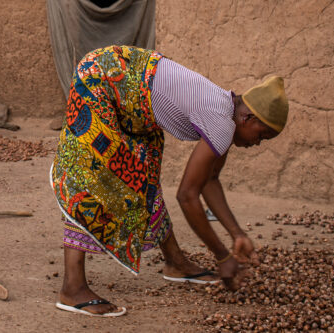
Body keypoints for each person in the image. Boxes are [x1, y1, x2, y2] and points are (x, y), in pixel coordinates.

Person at [51, 45, 287, 318]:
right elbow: (187, 196)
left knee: (144, 175)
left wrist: (237, 235)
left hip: (130, 92)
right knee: (93, 178)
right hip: (102, 80)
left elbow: (210, 180)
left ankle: (176, 263)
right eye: (262, 135)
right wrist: (222, 257)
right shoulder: (222, 122)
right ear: (248, 118)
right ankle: (73, 287)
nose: (258, 143)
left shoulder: (226, 114)